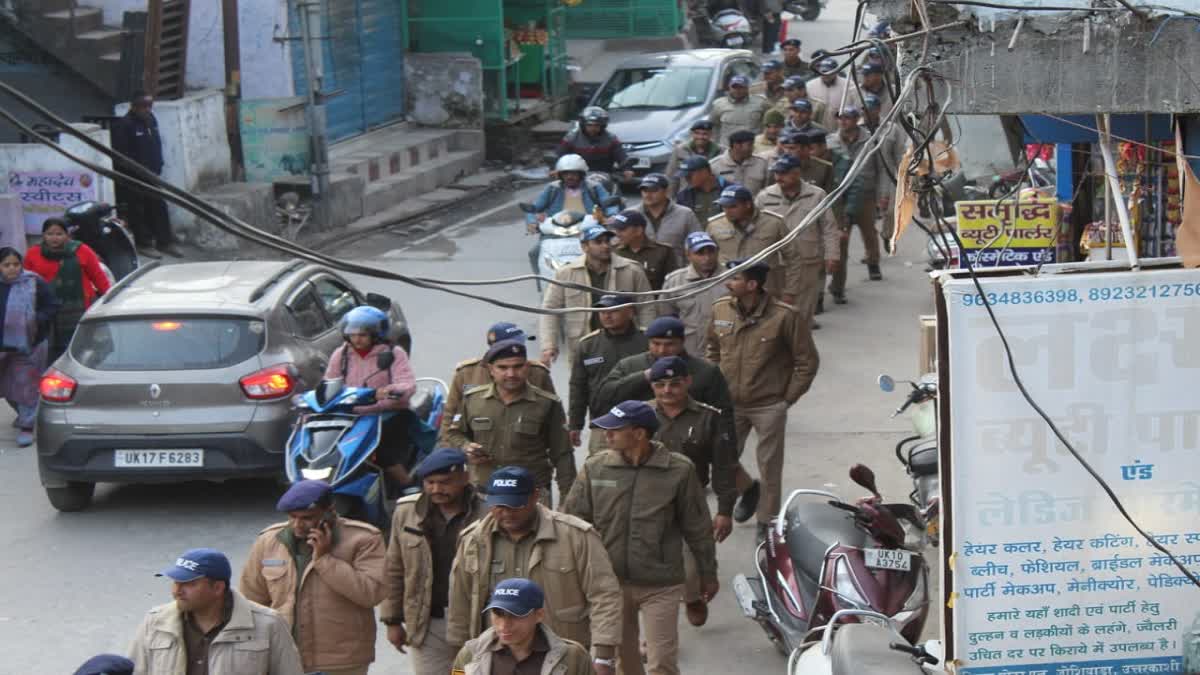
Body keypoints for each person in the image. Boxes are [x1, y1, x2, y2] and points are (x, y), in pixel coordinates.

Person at [563, 400, 719, 675]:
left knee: (662, 662)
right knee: (626, 662)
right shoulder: (595, 468)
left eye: (615, 430)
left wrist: (708, 573)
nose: (606, 435)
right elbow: (574, 522)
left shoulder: (679, 471)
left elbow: (697, 527)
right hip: (610, 583)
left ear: (639, 434)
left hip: (661, 583)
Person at [447, 467, 622, 672]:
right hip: (495, 660)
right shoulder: (473, 541)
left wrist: (604, 657)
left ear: (535, 496)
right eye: (499, 506)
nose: (506, 513)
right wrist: (460, 653)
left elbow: (604, 595)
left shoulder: (576, 536)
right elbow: (460, 601)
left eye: (515, 505)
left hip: (561, 662)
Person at [593, 316, 760, 524]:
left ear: (682, 342)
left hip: (693, 436)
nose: (662, 350)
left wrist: (729, 448)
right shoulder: (631, 365)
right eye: (656, 344)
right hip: (644, 440)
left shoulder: (704, 372)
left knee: (723, 467)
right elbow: (604, 394)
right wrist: (643, 377)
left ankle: (750, 490)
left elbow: (724, 413)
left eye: (669, 344)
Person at [705, 260, 819, 543]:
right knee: (720, 458)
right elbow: (712, 349)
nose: (728, 282)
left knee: (769, 467)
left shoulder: (784, 317)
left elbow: (806, 362)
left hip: (768, 404)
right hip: (729, 403)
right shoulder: (721, 309)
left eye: (735, 278)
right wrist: (713, 383)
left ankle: (766, 522)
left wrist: (786, 399)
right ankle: (747, 489)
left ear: (752, 285)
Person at [239, 480, 386, 675]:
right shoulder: (269, 541)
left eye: (307, 518)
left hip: (340, 661)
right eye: (292, 517)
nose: (297, 525)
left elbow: (371, 594)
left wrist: (325, 560)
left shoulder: (364, 539)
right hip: (284, 657)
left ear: (330, 511)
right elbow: (251, 601)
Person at [646, 356, 736, 627]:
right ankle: (653, 627)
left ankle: (693, 595)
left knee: (691, 563)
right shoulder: (641, 416)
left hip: (690, 500)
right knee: (645, 567)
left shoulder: (709, 418)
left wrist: (724, 510)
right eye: (660, 385)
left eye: (674, 384)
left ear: (688, 382)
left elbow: (723, 466)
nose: (667, 391)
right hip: (647, 500)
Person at [383, 448, 487, 675]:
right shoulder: (406, 512)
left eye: (445, 482)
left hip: (477, 623)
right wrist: (392, 620)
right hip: (428, 623)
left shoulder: (488, 513)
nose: (436, 489)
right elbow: (394, 567)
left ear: (465, 477)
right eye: (430, 482)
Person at [128, 548, 304, 674]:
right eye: (175, 582)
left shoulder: (268, 625)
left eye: (189, 583)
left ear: (218, 588)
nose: (177, 591)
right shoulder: (155, 622)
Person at [444, 339, 575, 505]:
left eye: (518, 366)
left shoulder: (547, 403)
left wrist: (569, 499)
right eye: (503, 368)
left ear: (527, 367)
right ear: (491, 369)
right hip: (486, 493)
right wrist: (466, 447)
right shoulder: (472, 400)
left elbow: (562, 453)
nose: (511, 374)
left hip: (532, 494)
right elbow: (454, 433)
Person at [324, 305, 417, 487]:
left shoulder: (394, 353)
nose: (357, 339)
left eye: (363, 335)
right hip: (351, 416)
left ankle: (408, 485)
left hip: (386, 414)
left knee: (382, 451)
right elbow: (329, 383)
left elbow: (407, 383)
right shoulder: (341, 354)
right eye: (353, 334)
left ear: (376, 335)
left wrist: (389, 392)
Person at [538, 224, 653, 367]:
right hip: (586, 347)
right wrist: (549, 345)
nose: (605, 246)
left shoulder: (631, 270)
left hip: (626, 345)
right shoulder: (566, 273)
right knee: (585, 385)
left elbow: (646, 306)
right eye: (598, 242)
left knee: (627, 384)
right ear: (584, 247)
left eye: (607, 241)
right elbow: (550, 309)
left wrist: (649, 339)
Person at [754, 155, 840, 323]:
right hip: (775, 263)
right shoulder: (765, 197)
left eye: (784, 173)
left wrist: (832, 255)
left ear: (797, 173)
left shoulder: (816, 195)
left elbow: (829, 227)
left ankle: (800, 343)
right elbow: (755, 228)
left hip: (806, 261)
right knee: (773, 311)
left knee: (802, 311)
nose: (779, 177)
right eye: (776, 173)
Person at [441, 322, 555, 444]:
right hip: (474, 446)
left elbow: (553, 416)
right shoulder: (467, 372)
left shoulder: (537, 373)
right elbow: (450, 415)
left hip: (522, 447)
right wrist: (451, 449)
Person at [451, 578, 594, 675]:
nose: (504, 625)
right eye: (498, 614)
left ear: (539, 615)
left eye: (515, 615)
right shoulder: (468, 655)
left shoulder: (573, 657)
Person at [24, 217, 110, 364]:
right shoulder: (33, 253)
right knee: (50, 353)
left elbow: (99, 278)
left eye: (59, 234)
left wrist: (110, 299)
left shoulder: (82, 250)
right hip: (46, 311)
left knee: (81, 349)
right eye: (50, 234)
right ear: (43, 235)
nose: (54, 238)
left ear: (67, 235)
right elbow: (25, 282)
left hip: (80, 310)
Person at [570, 294, 648, 453]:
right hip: (603, 425)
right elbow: (578, 387)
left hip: (641, 425)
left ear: (630, 312)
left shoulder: (647, 340)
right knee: (601, 473)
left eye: (614, 310)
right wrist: (575, 424)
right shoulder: (588, 345)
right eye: (602, 310)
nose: (607, 315)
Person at [110, 91, 181, 259]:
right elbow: (121, 155)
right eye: (143, 105)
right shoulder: (124, 125)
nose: (147, 109)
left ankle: (165, 241)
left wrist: (159, 164)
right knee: (138, 210)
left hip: (152, 173)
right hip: (134, 176)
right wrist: (134, 171)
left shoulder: (151, 120)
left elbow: (156, 144)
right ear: (133, 106)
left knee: (159, 207)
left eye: (150, 105)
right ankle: (144, 243)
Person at [526, 154, 621, 279]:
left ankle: (609, 279)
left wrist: (612, 216)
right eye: (566, 173)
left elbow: (608, 203)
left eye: (574, 173)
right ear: (560, 175)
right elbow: (535, 208)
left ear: (581, 174)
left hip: (587, 230)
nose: (570, 177)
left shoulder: (594, 187)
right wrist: (532, 222)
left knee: (610, 251)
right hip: (557, 231)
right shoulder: (552, 189)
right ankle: (541, 280)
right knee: (534, 253)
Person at [0, 247, 58, 447]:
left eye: (16, 264)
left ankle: (27, 424)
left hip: (29, 345)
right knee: (6, 386)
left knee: (26, 387)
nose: (12, 269)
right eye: (6, 265)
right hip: (3, 347)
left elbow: (51, 306)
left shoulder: (34, 282)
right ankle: (24, 414)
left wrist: (34, 320)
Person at [705, 184, 802, 305]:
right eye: (724, 207)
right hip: (727, 289)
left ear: (748, 204)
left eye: (732, 206)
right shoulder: (715, 225)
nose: (727, 211)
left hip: (766, 289)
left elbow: (793, 258)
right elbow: (705, 258)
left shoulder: (774, 223)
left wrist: (790, 291)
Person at [827, 106, 883, 297]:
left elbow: (881, 169)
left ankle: (873, 262)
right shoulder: (831, 142)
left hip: (866, 195)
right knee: (841, 242)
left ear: (856, 119)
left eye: (848, 118)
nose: (844, 121)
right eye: (840, 118)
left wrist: (883, 194)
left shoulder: (870, 140)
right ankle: (838, 287)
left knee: (869, 232)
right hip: (840, 198)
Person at [657, 233, 727, 357]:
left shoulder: (731, 278)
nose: (707, 258)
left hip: (724, 352)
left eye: (711, 252)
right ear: (688, 255)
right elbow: (665, 318)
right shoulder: (675, 281)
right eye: (700, 253)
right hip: (688, 353)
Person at [862, 92, 907, 254]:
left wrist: (903, 175)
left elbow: (899, 154)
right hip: (865, 177)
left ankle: (887, 235)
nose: (867, 113)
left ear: (878, 109)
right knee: (867, 216)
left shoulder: (891, 129)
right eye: (865, 109)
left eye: (871, 109)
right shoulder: (858, 129)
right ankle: (871, 252)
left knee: (890, 211)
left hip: (886, 175)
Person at [631, 173, 702, 265]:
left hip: (676, 272)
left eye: (653, 190)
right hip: (639, 272)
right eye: (644, 190)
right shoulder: (630, 214)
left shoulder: (685, 214)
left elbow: (698, 244)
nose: (648, 195)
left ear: (666, 191)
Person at [609, 210, 678, 291]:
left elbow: (673, 284)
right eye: (616, 230)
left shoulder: (663, 252)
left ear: (638, 230)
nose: (617, 234)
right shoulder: (613, 251)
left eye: (622, 230)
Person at [558, 107, 631, 178]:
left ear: (603, 126)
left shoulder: (611, 139)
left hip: (606, 176)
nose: (593, 128)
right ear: (583, 125)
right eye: (589, 125)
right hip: (578, 178)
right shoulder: (571, 138)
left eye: (596, 125)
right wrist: (556, 169)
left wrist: (627, 169)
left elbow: (621, 156)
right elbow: (560, 156)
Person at [664, 120, 723, 196]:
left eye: (705, 134)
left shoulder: (721, 151)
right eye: (697, 133)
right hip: (686, 194)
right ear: (692, 134)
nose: (700, 137)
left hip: (712, 194)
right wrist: (669, 198)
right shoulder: (680, 150)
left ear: (711, 135)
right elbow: (671, 176)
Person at [709, 76, 769, 147]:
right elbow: (713, 126)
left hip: (753, 147)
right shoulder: (718, 104)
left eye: (741, 87)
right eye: (734, 87)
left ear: (747, 88)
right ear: (729, 88)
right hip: (726, 147)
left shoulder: (761, 103)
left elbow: (768, 124)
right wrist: (716, 144)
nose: (737, 90)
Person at [710, 130, 771, 197]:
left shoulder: (762, 163)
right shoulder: (714, 165)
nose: (753, 148)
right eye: (750, 145)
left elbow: (768, 188)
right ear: (737, 145)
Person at [806, 58, 861, 130]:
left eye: (830, 71)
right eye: (824, 71)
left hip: (842, 131)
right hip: (817, 131)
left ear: (837, 71)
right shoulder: (809, 86)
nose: (826, 74)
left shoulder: (850, 86)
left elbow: (858, 109)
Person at [674, 157, 729, 225]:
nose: (687, 179)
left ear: (704, 172)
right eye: (685, 176)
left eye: (689, 175)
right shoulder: (683, 197)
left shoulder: (729, 190)